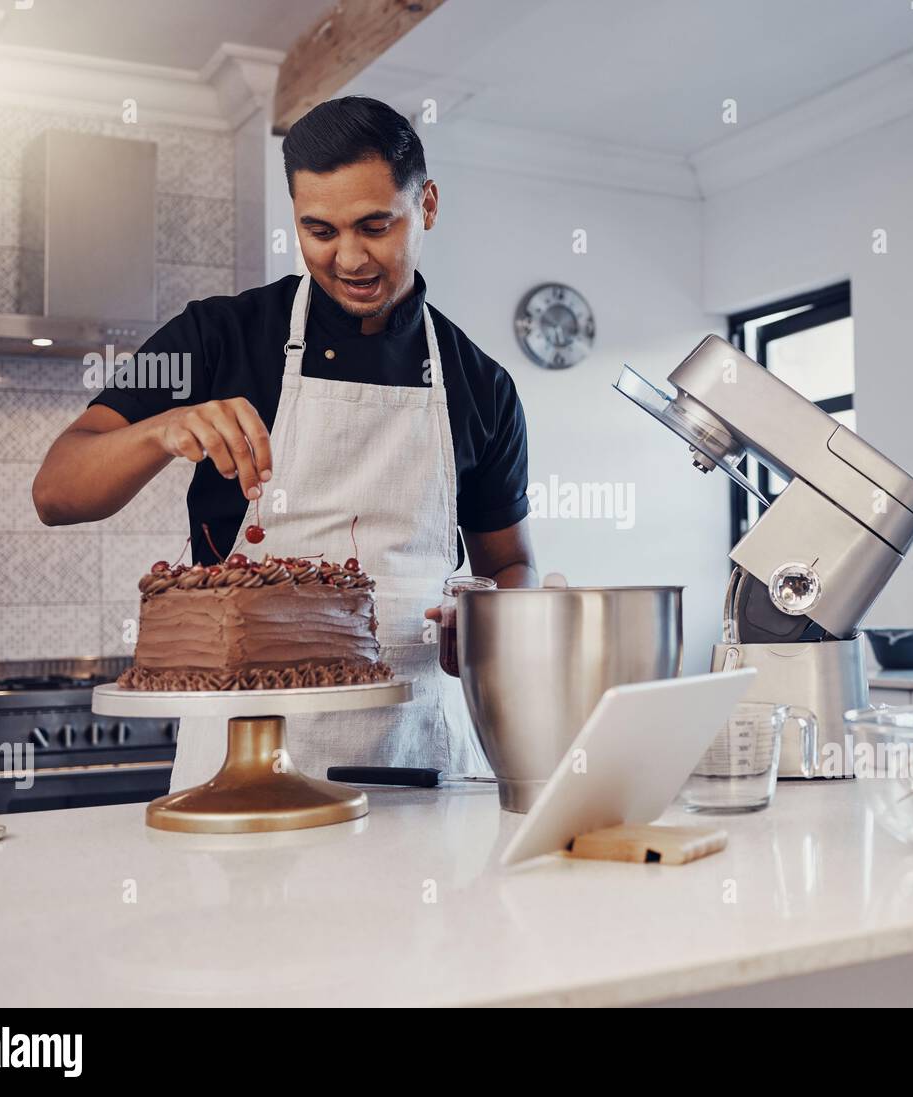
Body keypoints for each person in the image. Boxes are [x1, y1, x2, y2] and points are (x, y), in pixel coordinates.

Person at [33, 96, 537, 787]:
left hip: (415, 761)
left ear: (428, 206)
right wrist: (160, 429)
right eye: (319, 230)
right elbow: (56, 491)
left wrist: (486, 618)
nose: (350, 257)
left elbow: (512, 566)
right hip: (236, 769)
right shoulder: (215, 337)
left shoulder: (482, 384)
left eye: (375, 225)